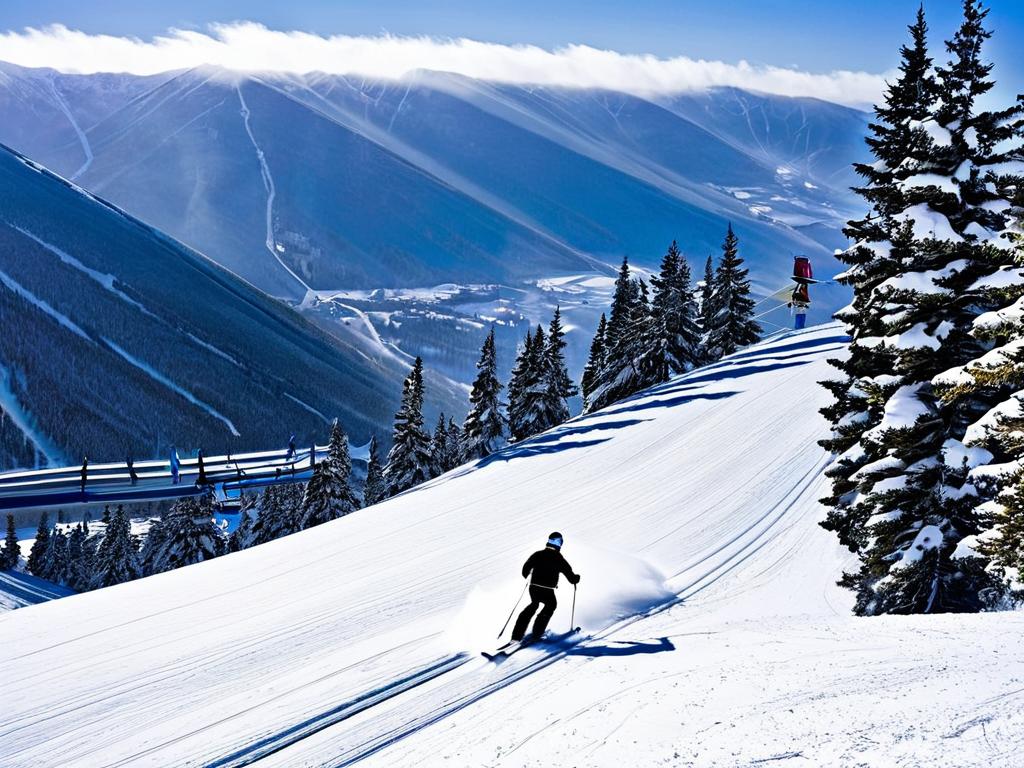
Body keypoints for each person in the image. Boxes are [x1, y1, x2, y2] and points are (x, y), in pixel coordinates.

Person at [511, 532, 580, 643]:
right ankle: (537, 634)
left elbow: (525, 569)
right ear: (559, 543)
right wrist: (575, 579)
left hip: (533, 587)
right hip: (547, 589)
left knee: (533, 605)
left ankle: (516, 636)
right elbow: (570, 575)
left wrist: (528, 575)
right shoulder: (559, 558)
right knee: (551, 605)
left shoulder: (537, 554)